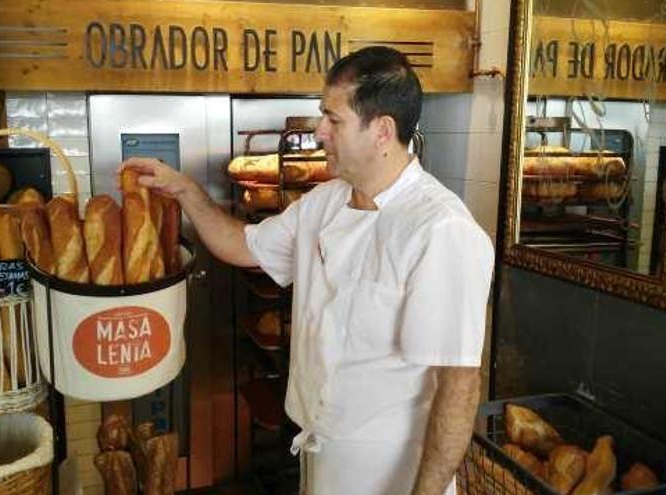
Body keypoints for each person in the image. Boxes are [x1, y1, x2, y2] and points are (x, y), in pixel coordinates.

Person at [121, 46, 494, 495]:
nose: (320, 132)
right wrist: (184, 191)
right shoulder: (325, 201)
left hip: (390, 468)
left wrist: (427, 492)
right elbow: (243, 245)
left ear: (381, 131)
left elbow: (460, 385)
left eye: (333, 120)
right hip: (320, 451)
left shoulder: (440, 230)